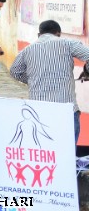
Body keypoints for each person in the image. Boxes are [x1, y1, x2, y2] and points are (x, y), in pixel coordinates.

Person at [10, 19, 89, 150]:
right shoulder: (68, 44)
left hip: (38, 109)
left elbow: (14, 71)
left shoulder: (27, 50)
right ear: (58, 33)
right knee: (67, 149)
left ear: (38, 35)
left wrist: (33, 81)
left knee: (45, 148)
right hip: (66, 108)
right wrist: (87, 71)